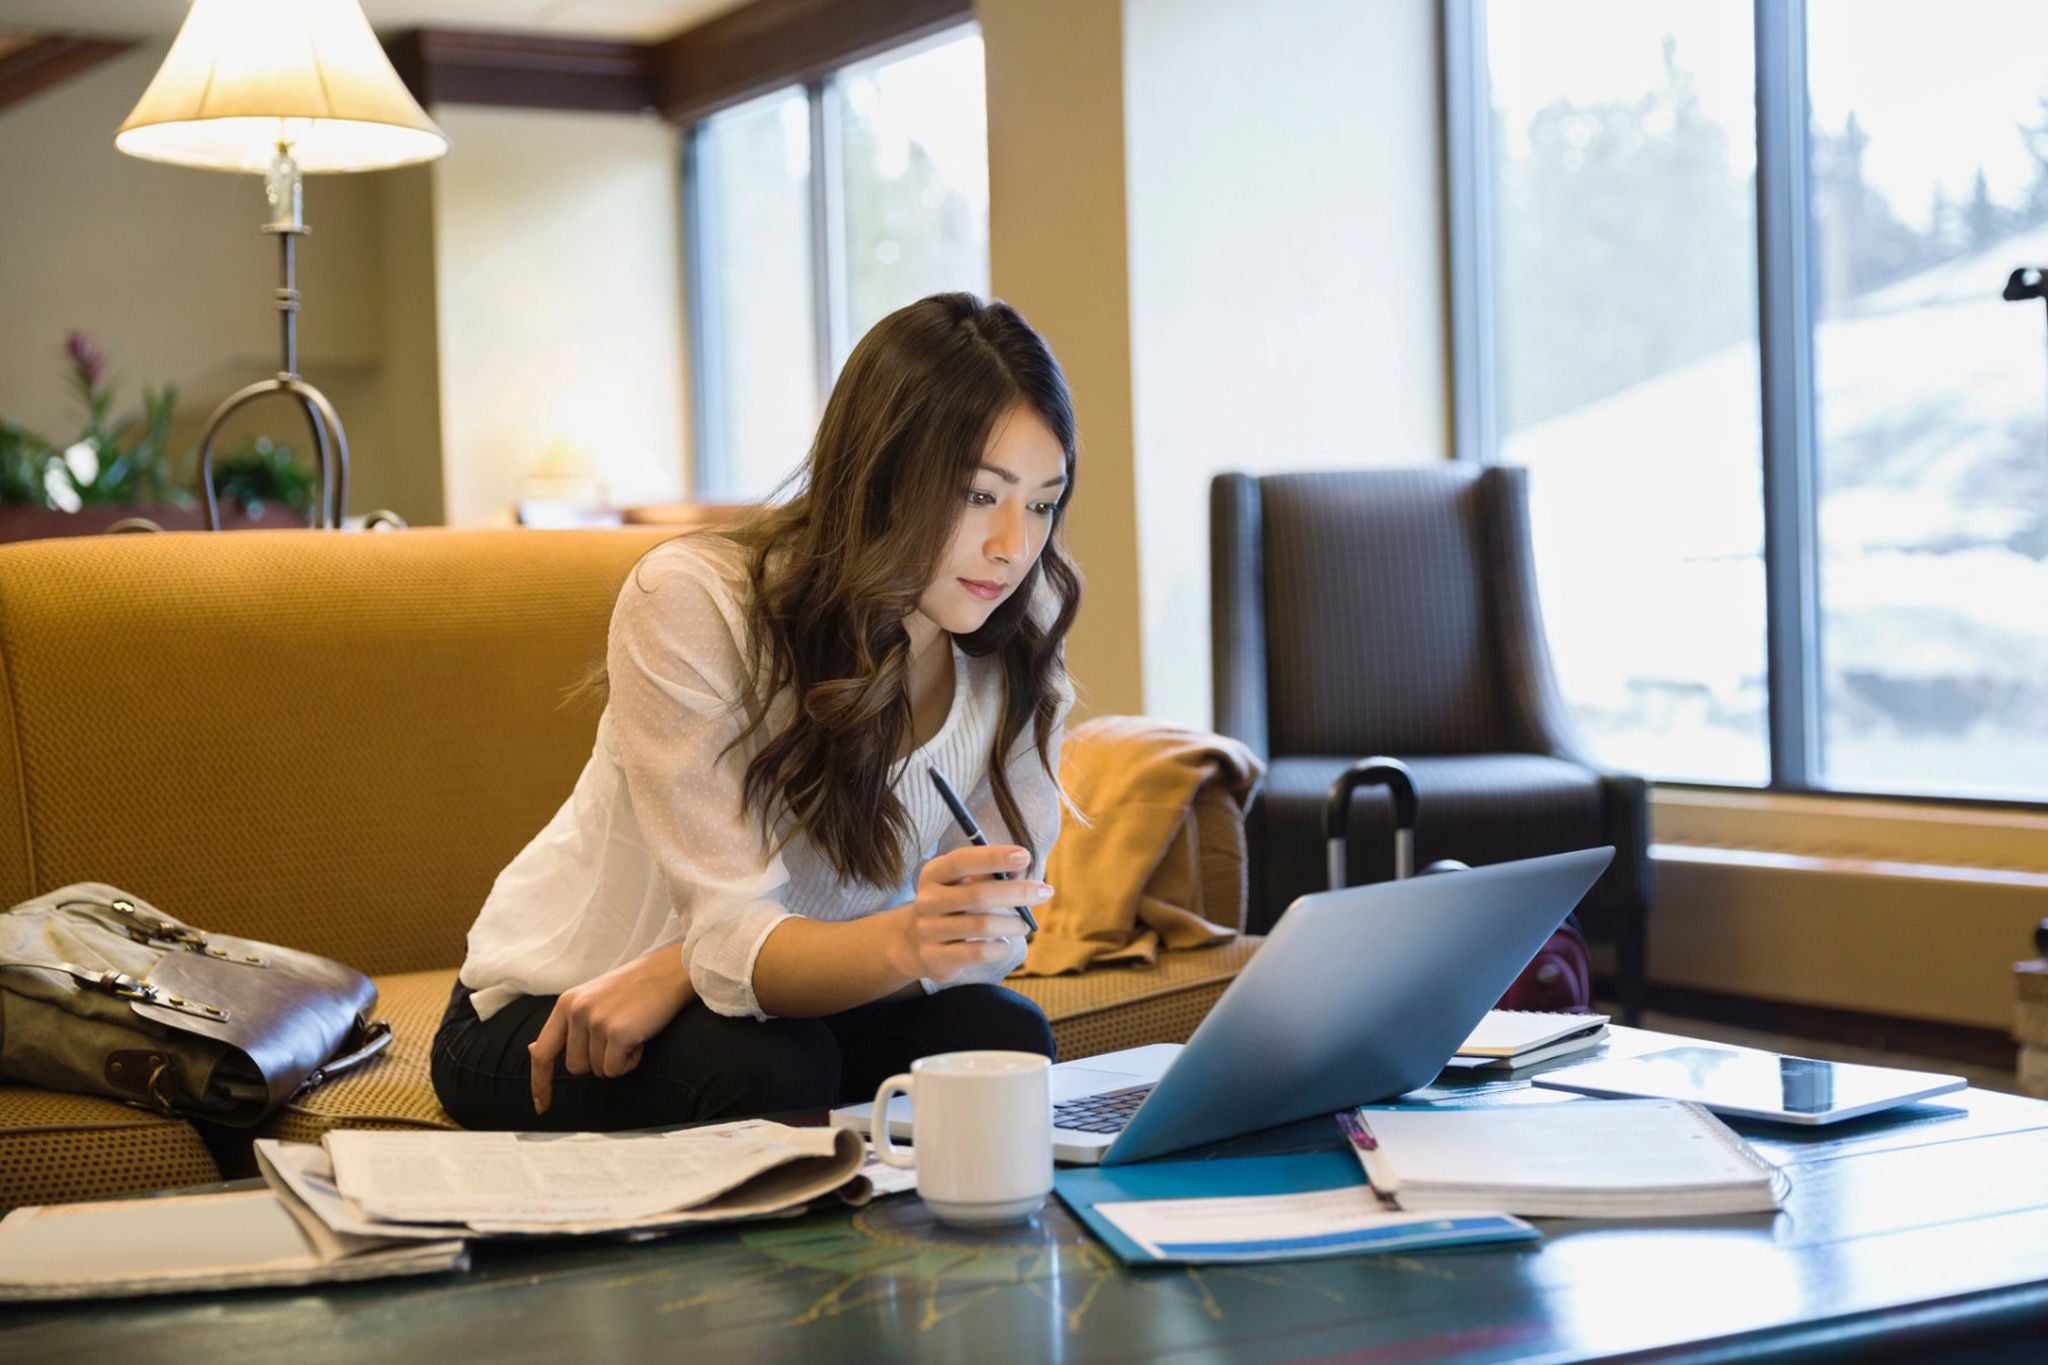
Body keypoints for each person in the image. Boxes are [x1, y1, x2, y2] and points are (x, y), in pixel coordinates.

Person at [430, 293, 1081, 1131]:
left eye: (1040, 502)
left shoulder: (1015, 639)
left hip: (777, 997)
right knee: (773, 1068)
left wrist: (686, 967)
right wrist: (893, 938)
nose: (1013, 547)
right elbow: (737, 934)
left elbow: (997, 929)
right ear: (881, 475)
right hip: (557, 1003)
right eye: (978, 495)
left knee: (1000, 1036)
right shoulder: (695, 603)